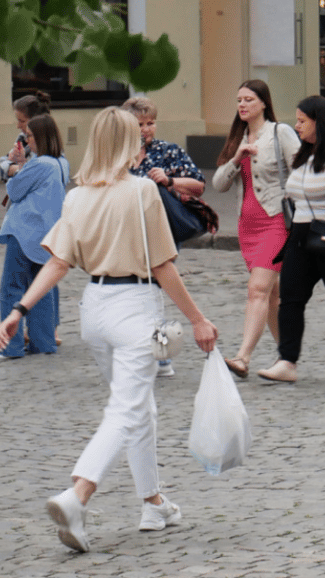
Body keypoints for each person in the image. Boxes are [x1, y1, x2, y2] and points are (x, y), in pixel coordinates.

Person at [0, 107, 219, 553]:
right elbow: (162, 266)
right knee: (126, 410)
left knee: (139, 407)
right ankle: (77, 496)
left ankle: (153, 503)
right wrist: (198, 319)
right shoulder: (142, 191)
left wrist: (20, 308)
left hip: (94, 310)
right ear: (128, 143)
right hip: (134, 307)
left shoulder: (77, 197)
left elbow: (58, 262)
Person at [257, 95, 325, 383]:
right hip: (301, 235)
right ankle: (287, 361)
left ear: (320, 122)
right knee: (290, 298)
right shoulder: (304, 153)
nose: (297, 126)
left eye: (302, 121)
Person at [212, 80, 301, 379]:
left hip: (276, 222)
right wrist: (236, 159)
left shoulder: (280, 132)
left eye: (249, 99)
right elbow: (219, 184)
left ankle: (243, 357)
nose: (243, 105)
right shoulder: (238, 139)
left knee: (257, 289)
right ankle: (287, 360)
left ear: (264, 102)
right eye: (239, 100)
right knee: (271, 295)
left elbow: (301, 170)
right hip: (247, 226)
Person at [123, 96, 208, 378]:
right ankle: (142, 352)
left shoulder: (167, 151)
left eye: (151, 123)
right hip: (126, 232)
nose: (146, 129)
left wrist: (169, 180)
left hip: (161, 231)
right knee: (135, 292)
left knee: (152, 290)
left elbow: (198, 184)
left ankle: (160, 357)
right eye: (140, 124)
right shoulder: (118, 156)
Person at [0, 114, 69, 362]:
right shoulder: (61, 162)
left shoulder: (40, 163)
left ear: (40, 137)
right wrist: (24, 164)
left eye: (30, 136)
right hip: (46, 234)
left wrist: (15, 167)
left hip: (24, 231)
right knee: (40, 289)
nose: (27, 141)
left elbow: (14, 190)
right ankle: (43, 342)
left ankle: (9, 347)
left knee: (11, 289)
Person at [0, 91, 51, 182]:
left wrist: (15, 167)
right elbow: (3, 163)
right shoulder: (22, 138)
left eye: (22, 121)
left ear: (36, 120)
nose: (18, 126)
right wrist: (14, 165)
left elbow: (33, 175)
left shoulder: (49, 145)